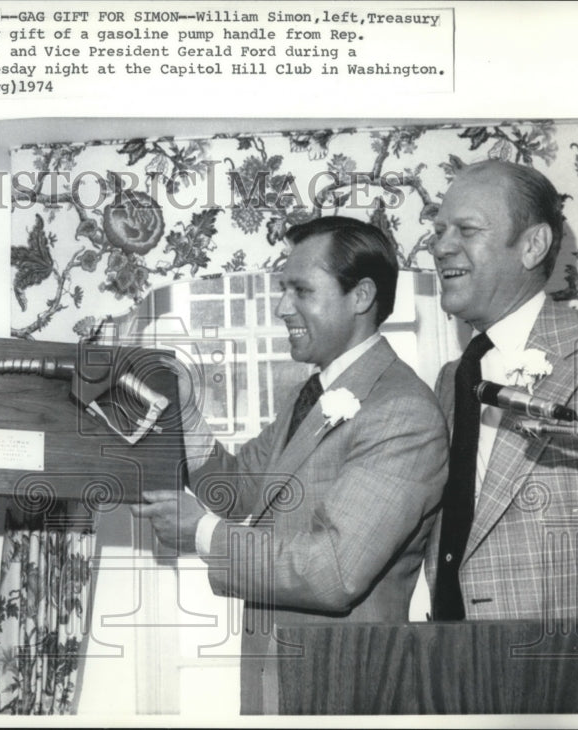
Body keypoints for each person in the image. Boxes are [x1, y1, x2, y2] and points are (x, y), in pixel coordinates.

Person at [132, 216, 449, 714]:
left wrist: (200, 534)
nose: (282, 308)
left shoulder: (401, 411)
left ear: (361, 296)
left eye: (301, 290)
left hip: (342, 687)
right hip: (277, 680)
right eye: (284, 290)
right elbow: (234, 488)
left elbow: (333, 572)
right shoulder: (313, 393)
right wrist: (184, 407)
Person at [425, 159, 578, 621]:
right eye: (439, 230)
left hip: (572, 672)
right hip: (448, 665)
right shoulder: (452, 378)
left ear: (533, 245)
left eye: (466, 230)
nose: (440, 247)